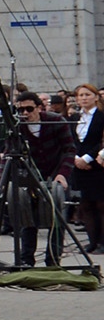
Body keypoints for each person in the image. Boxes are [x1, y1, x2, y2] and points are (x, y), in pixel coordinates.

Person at [11, 91, 74, 268]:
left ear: (39, 107)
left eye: (29, 109)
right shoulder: (17, 127)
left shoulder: (55, 122)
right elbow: (8, 155)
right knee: (26, 216)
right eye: (20, 110)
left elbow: (69, 150)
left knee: (57, 218)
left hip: (56, 174)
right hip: (29, 176)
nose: (24, 114)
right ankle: (26, 260)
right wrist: (1, 183)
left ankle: (53, 261)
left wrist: (62, 174)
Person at [69, 84, 102, 250]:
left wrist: (88, 158)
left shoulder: (101, 116)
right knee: (86, 204)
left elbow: (100, 141)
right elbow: (71, 139)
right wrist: (76, 158)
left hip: (98, 164)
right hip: (79, 165)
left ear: (96, 97)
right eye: (80, 95)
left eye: (87, 95)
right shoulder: (74, 116)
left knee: (100, 204)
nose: (83, 98)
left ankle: (103, 241)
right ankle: (92, 241)